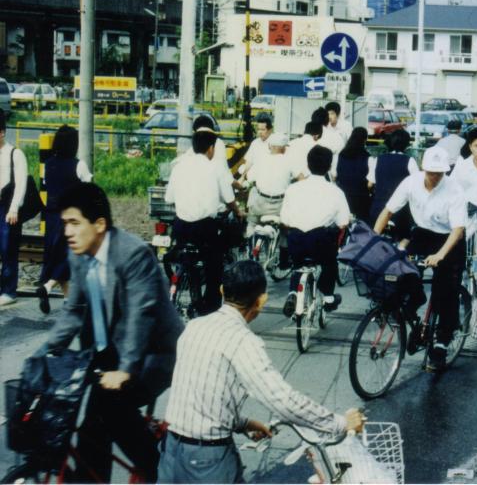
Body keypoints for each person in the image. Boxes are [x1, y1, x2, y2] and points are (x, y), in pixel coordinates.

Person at [158, 260, 364, 484]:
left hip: (171, 450)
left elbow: (202, 393)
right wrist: (340, 423)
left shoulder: (195, 326)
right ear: (261, 300)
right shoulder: (242, 342)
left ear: (221, 290)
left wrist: (243, 423)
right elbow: (283, 401)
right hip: (208, 461)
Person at [38, 182, 184, 482]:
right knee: (86, 421)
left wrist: (126, 370)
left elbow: (139, 316)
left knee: (110, 410)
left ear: (100, 224)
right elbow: (74, 311)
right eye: (65, 224)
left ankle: (159, 472)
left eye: (74, 223)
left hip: (153, 354)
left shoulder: (133, 254)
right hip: (108, 354)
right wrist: (43, 354)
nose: (67, 232)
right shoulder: (79, 254)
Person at [374, 146, 467, 370]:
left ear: (445, 171)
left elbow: (458, 230)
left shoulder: (454, 189)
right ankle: (414, 302)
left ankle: (442, 342)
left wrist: (440, 255)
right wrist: (373, 240)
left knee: (445, 289)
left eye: (439, 173)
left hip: (449, 239)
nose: (434, 176)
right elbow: (388, 211)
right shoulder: (411, 182)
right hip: (423, 233)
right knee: (399, 270)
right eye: (430, 172)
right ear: (423, 168)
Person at [166, 129, 244, 314]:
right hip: (204, 227)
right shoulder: (214, 168)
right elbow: (228, 197)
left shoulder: (179, 167)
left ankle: (183, 279)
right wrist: (238, 211)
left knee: (185, 255)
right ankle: (210, 305)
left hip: (181, 226)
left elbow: (169, 198)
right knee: (214, 263)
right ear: (211, 149)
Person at [281, 146, 350, 315]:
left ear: (308, 164)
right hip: (320, 241)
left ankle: (292, 293)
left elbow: (285, 220)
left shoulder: (293, 188)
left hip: (295, 239)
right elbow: (343, 223)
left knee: (298, 265)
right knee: (329, 263)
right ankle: (328, 298)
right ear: (328, 167)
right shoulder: (336, 191)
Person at [37, 125, 93, 314]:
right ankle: (48, 286)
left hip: (51, 217)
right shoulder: (79, 165)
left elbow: (46, 185)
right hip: (70, 219)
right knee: (69, 257)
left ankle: (68, 300)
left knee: (57, 255)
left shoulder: (48, 164)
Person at [0, 110, 29, 306]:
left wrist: (14, 208)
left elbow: (21, 184)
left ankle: (9, 291)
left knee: (7, 248)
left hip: (6, 207)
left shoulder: (15, 153)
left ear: (1, 132)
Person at [368, 129, 419, 240]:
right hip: (401, 211)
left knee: (374, 240)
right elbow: (417, 185)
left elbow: (370, 184)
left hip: (378, 209)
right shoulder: (410, 161)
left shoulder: (378, 159)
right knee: (407, 238)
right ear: (406, 144)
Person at [336, 127, 372, 222]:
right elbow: (370, 183)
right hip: (361, 197)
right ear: (365, 139)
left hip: (343, 195)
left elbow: (336, 174)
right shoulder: (367, 157)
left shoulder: (342, 154)